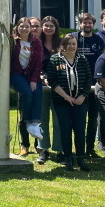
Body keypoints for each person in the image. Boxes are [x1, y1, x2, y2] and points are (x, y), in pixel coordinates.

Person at [47, 34, 92, 171]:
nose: (72, 46)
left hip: (80, 101)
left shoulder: (82, 59)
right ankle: (68, 158)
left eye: (74, 44)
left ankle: (80, 158)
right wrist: (67, 97)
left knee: (79, 129)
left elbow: (89, 79)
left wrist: (82, 96)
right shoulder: (55, 59)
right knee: (65, 129)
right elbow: (52, 80)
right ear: (63, 45)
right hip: (61, 101)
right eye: (69, 44)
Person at [11, 17, 44, 154]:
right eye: (21, 26)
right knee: (27, 93)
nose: (24, 29)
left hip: (31, 74)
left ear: (30, 28)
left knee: (37, 91)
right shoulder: (13, 41)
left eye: (27, 26)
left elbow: (38, 62)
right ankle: (27, 124)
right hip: (16, 74)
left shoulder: (36, 42)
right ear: (17, 28)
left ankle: (34, 123)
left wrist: (34, 80)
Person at [73, 13, 104, 159]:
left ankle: (90, 148)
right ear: (80, 24)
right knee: (78, 119)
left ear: (93, 24)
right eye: (84, 22)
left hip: (94, 84)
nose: (87, 25)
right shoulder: (74, 38)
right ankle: (78, 150)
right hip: (76, 85)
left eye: (90, 22)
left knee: (92, 119)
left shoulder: (98, 39)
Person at [36, 16, 63, 164]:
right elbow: (34, 63)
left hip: (58, 86)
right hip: (41, 86)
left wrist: (52, 78)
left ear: (56, 28)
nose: (49, 28)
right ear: (42, 27)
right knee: (42, 119)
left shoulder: (60, 44)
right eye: (46, 25)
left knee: (59, 119)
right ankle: (43, 150)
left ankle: (60, 151)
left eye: (52, 26)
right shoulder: (37, 43)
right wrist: (42, 76)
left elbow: (64, 63)